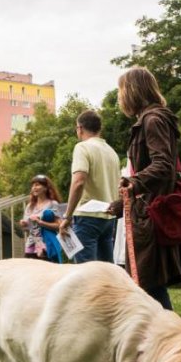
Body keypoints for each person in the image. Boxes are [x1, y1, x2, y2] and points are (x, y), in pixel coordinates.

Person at [108, 67, 181, 310]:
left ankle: (171, 339)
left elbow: (163, 165)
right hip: (146, 210)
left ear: (132, 91)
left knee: (148, 285)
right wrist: (123, 204)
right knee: (146, 285)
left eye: (121, 91)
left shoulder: (152, 120)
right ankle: (163, 339)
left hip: (150, 216)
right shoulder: (152, 119)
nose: (120, 98)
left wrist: (133, 182)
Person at [59, 110, 121, 263]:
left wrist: (67, 216)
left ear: (79, 128)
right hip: (108, 218)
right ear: (99, 129)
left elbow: (79, 182)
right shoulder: (111, 152)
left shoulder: (82, 147)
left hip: (87, 217)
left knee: (86, 272)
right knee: (106, 271)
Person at [19, 175, 62, 260]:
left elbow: (59, 226)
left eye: (37, 185)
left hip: (47, 245)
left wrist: (41, 223)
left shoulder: (53, 204)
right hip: (31, 246)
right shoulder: (30, 206)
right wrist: (24, 224)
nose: (34, 187)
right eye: (33, 185)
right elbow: (26, 229)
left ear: (46, 187)